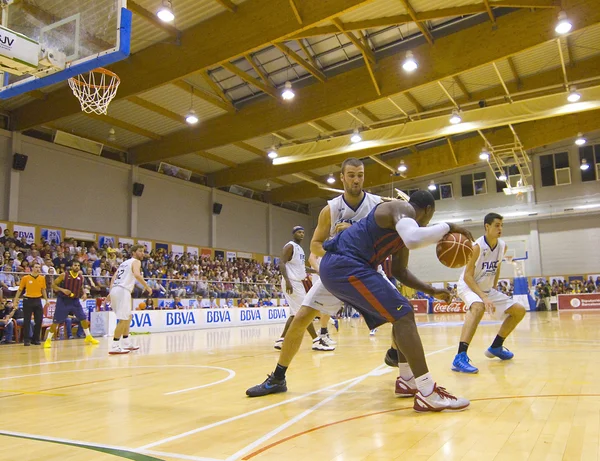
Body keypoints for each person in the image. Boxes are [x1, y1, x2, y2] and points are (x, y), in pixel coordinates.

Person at [246, 157, 384, 396]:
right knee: (300, 318)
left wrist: (355, 234)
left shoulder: (377, 204)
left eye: (360, 175)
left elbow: (383, 242)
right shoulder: (330, 209)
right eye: (351, 175)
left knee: (403, 317)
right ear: (342, 177)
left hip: (368, 270)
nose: (356, 179)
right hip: (338, 271)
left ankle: (407, 373)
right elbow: (316, 247)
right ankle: (278, 377)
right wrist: (338, 242)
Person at [451, 213, 527, 374]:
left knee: (519, 311)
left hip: (486, 289)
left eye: (502, 225)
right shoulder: (476, 246)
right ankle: (460, 357)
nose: (500, 228)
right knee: (478, 307)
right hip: (468, 286)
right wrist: (484, 297)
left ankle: (496, 347)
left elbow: (497, 267)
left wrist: (493, 288)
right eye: (497, 225)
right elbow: (467, 276)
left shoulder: (502, 246)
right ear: (487, 227)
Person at [274, 226, 323, 351]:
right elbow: (282, 263)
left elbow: (301, 268)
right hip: (292, 282)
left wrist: (316, 271)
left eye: (303, 232)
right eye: (299, 232)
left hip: (297, 282)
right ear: (293, 234)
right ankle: (316, 340)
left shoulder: (300, 249)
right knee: (304, 311)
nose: (301, 234)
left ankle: (281, 340)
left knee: (294, 314)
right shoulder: (289, 246)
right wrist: (287, 280)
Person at [106, 245, 152, 355]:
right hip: (123, 290)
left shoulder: (124, 263)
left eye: (143, 251)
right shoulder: (136, 262)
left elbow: (114, 278)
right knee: (123, 319)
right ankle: (115, 345)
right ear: (133, 252)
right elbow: (136, 274)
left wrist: (111, 291)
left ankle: (126, 342)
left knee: (128, 316)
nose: (142, 253)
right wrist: (146, 286)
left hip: (117, 289)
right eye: (140, 251)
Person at [44, 261, 99, 348]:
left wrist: (84, 293)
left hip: (75, 301)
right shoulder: (64, 275)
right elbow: (53, 285)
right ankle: (48, 340)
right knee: (56, 321)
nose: (76, 267)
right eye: (75, 265)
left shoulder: (81, 277)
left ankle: (88, 336)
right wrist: (62, 290)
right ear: (71, 266)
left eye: (78, 265)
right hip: (63, 300)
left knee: (83, 318)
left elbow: (81, 287)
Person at [13, 262, 48, 346]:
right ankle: (26, 339)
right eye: (36, 267)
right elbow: (20, 289)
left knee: (39, 320)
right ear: (32, 268)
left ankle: (36, 339)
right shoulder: (26, 278)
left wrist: (47, 300)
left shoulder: (42, 278)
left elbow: (43, 289)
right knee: (27, 320)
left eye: (39, 267)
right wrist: (15, 300)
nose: (38, 269)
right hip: (28, 300)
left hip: (38, 300)